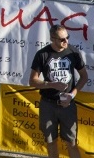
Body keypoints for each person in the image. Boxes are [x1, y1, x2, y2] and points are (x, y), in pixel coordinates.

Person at [30, 25, 88, 158]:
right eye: (62, 39)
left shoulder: (73, 52)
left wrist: (72, 95)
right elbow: (32, 81)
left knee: (71, 142)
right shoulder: (42, 54)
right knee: (51, 141)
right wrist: (52, 84)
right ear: (52, 39)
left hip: (68, 104)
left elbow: (84, 77)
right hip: (48, 104)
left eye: (67, 37)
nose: (66, 42)